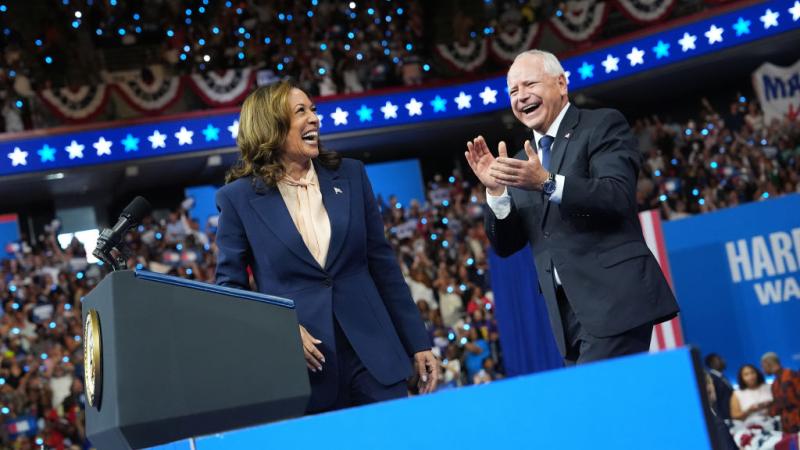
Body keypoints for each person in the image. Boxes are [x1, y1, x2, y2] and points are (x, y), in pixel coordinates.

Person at [214, 80, 438, 413]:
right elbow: (231, 289)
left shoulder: (350, 175)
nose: (314, 119)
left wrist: (417, 342)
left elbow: (382, 264)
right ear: (270, 126)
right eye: (300, 111)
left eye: (314, 109)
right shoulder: (238, 199)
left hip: (374, 354)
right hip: (307, 369)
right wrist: (280, 331)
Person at [464, 49, 679, 365]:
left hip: (615, 300)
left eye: (529, 85)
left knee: (598, 408)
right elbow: (508, 246)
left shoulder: (602, 125)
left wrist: (547, 182)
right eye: (513, 91)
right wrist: (496, 192)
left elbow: (616, 195)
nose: (521, 97)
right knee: (609, 411)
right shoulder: (521, 163)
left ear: (561, 83)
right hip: (566, 315)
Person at [761, 352, 800, 433]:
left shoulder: (792, 375)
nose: (763, 370)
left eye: (763, 366)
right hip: (788, 425)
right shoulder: (774, 384)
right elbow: (779, 407)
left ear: (767, 364)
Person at [705, 353, 734, 420]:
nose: (723, 361)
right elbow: (714, 400)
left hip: (731, 415)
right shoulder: (711, 379)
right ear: (712, 363)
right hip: (723, 417)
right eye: (719, 359)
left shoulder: (722, 377)